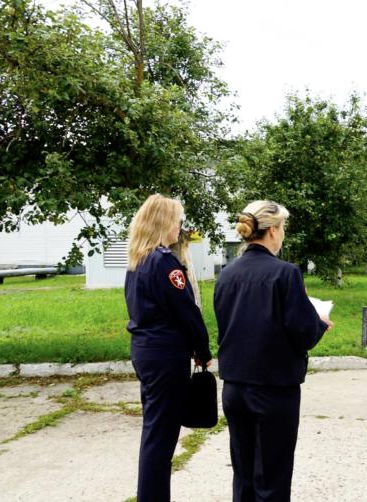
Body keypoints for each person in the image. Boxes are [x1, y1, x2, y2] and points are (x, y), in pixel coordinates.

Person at [214, 200, 333, 502]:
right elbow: (303, 333)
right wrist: (318, 322)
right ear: (273, 230)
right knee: (272, 478)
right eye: (282, 229)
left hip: (235, 388)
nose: (283, 236)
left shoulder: (227, 274)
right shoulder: (285, 274)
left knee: (244, 475)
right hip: (273, 389)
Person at [124, 194, 213, 502]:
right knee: (160, 439)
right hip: (165, 356)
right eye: (178, 221)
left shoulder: (137, 260)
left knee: (155, 432)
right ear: (164, 223)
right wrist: (203, 349)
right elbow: (187, 311)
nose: (180, 227)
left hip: (145, 351)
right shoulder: (163, 261)